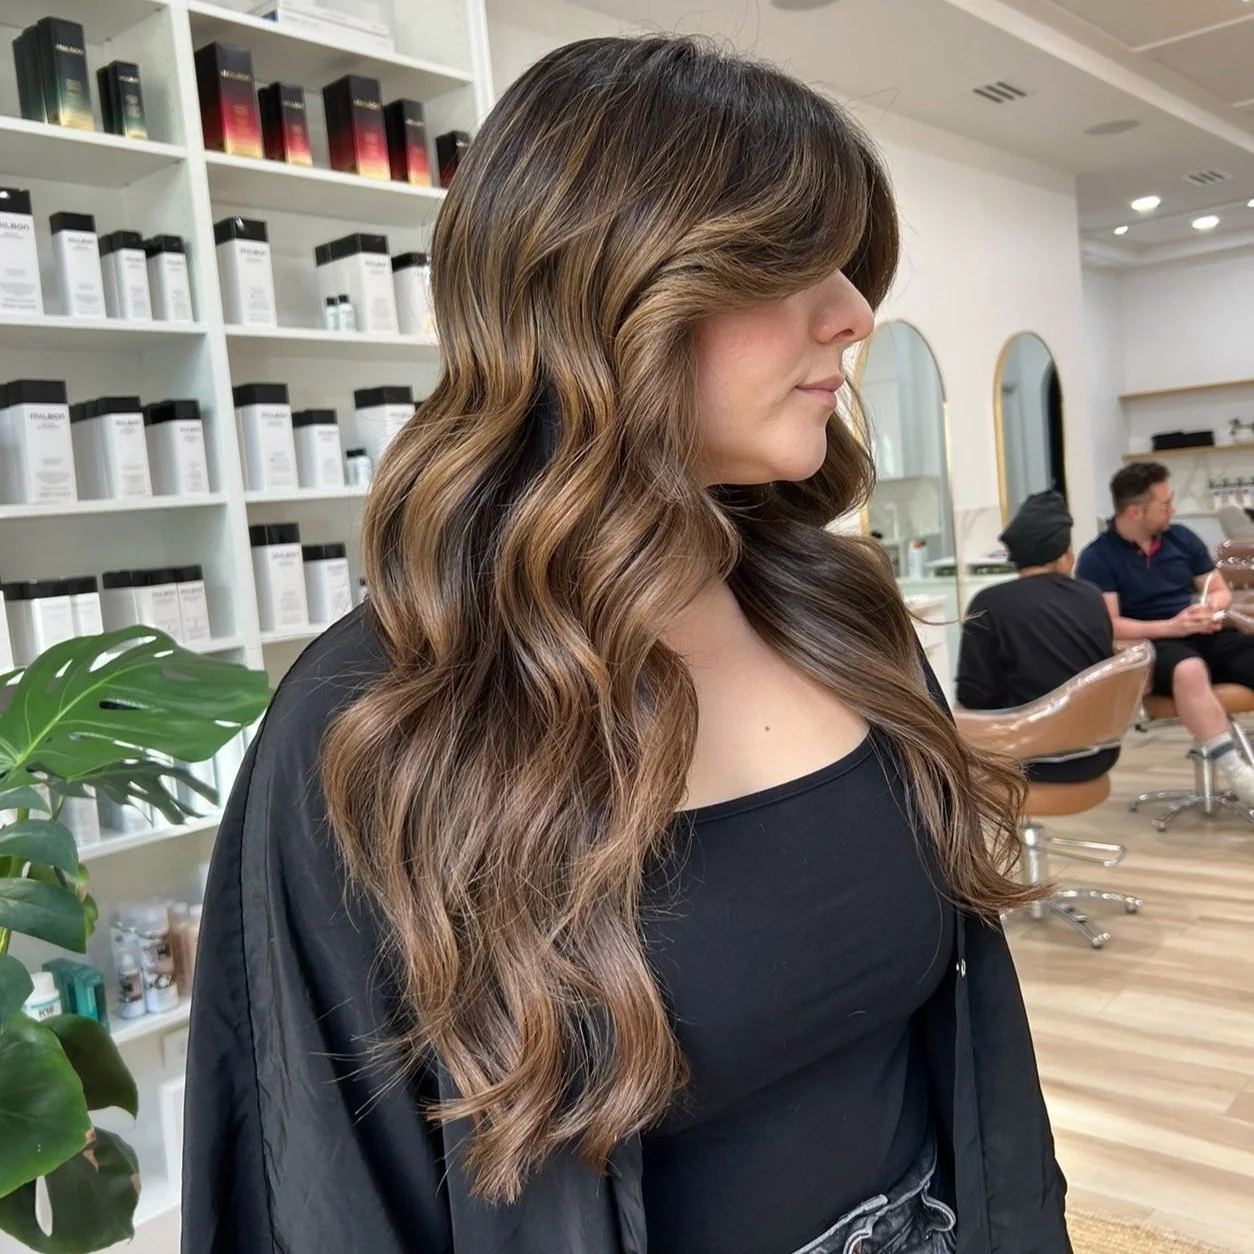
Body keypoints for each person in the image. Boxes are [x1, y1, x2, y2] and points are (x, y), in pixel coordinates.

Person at [183, 36, 1070, 1254]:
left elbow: (953, 1053)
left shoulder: (840, 618)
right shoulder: (376, 728)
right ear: (606, 293)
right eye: (794, 265)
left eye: (851, 266)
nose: (856, 315)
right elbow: (324, 1201)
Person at [1077, 461, 1254, 803]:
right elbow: (1109, 622)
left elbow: (1219, 590)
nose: (1173, 509)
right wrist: (1170, 627)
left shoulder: (1181, 538)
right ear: (1135, 511)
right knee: (1189, 670)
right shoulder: (1099, 557)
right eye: (1166, 503)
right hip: (1153, 644)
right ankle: (1238, 773)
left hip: (1204, 633)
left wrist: (1210, 608)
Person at [957, 490, 1117, 782]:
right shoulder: (1091, 596)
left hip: (1028, 757)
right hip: (1100, 751)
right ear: (1064, 556)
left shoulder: (988, 603)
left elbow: (973, 696)